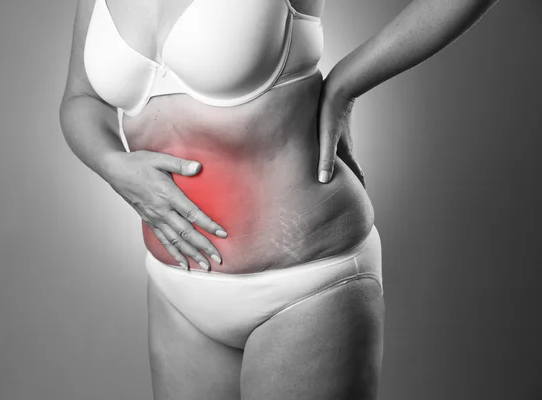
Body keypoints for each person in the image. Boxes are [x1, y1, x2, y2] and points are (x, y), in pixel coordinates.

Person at [59, 0, 498, 398]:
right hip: (178, 291)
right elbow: (82, 98)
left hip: (306, 287)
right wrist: (114, 166)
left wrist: (347, 81)